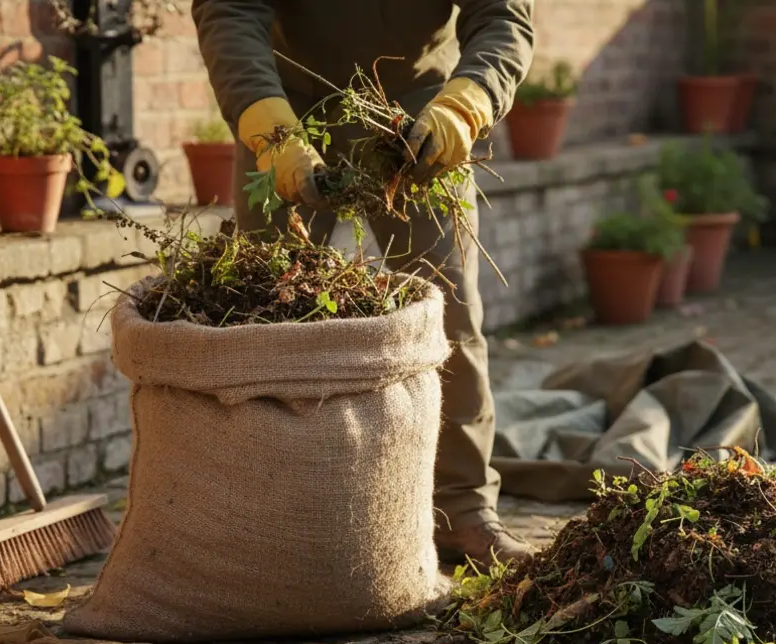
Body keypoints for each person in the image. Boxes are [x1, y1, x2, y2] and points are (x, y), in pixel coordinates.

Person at [190, 0, 535, 567]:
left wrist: (467, 101)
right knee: (257, 319)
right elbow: (229, 9)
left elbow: (502, 16)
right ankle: (260, 516)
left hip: (421, 114)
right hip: (289, 110)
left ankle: (462, 512)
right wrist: (267, 124)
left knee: (447, 316)